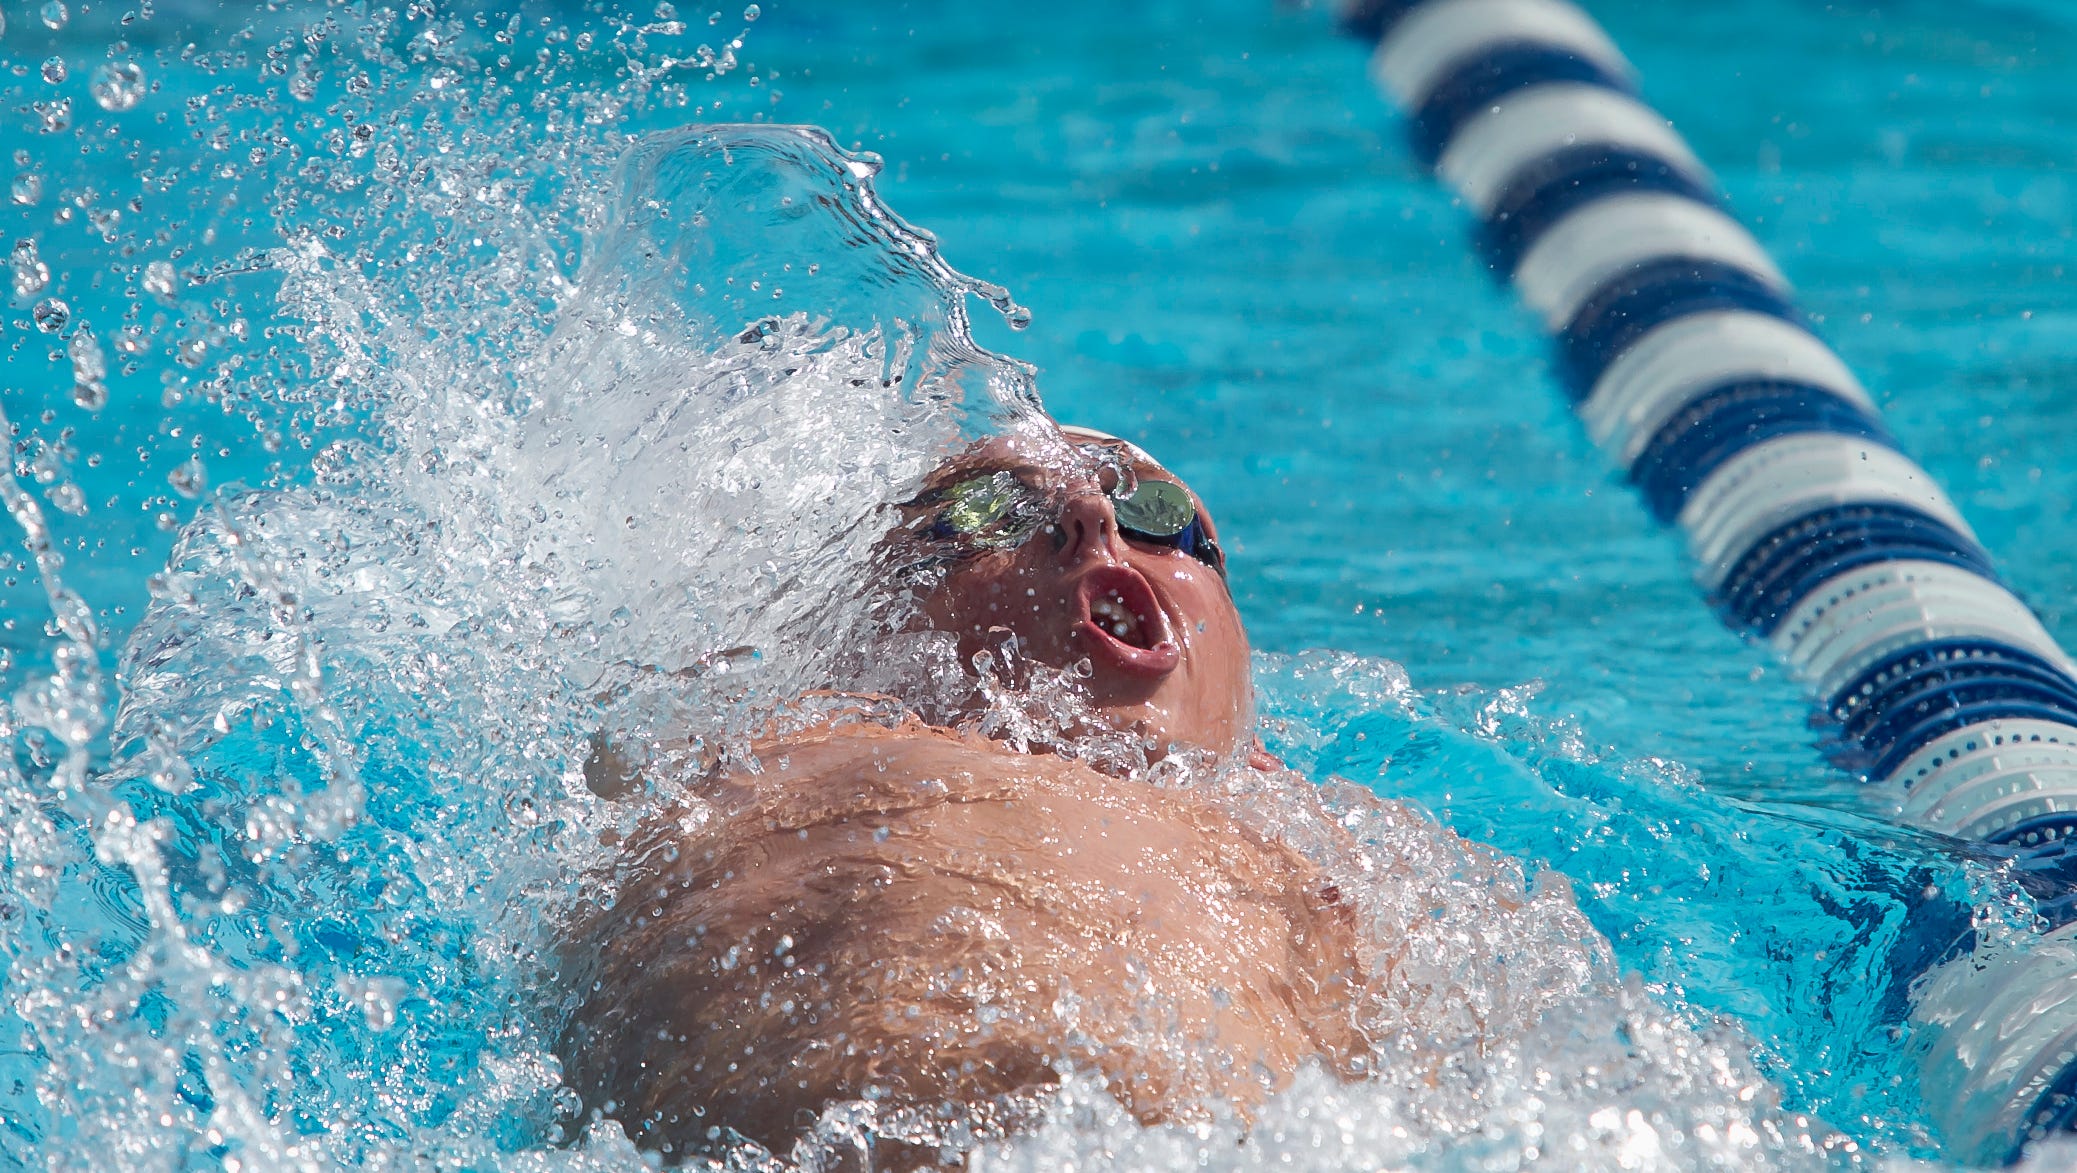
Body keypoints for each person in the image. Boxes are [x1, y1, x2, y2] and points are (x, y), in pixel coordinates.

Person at [561, 426, 1388, 1165]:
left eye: (1157, 512)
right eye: (984, 512)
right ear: (860, 643)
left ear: (1260, 749)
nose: (1087, 514)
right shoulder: (757, 755)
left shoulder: (1325, 867)